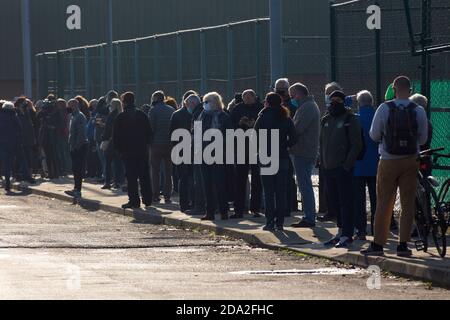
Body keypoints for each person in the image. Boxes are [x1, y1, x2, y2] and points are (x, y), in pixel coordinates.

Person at [362, 76, 428, 257]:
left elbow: (374, 135)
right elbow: (422, 138)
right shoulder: (418, 110)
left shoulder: (384, 108)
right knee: (407, 203)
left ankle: (378, 244)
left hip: (388, 159)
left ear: (394, 88)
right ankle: (403, 245)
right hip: (410, 160)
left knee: (384, 201)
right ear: (410, 89)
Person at [320, 90, 363, 248]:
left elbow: (356, 144)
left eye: (338, 100)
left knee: (346, 202)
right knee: (334, 202)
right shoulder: (325, 119)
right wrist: (322, 163)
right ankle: (340, 231)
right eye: (332, 100)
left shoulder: (350, 119)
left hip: (343, 168)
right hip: (328, 168)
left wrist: (347, 165)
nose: (334, 103)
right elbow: (322, 143)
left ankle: (347, 234)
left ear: (343, 102)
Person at [255, 93, 298, 231]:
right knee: (281, 191)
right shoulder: (286, 117)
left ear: (267, 102)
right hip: (282, 156)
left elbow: (254, 136)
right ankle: (280, 222)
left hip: (267, 156)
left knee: (268, 192)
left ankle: (269, 222)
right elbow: (294, 137)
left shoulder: (263, 117)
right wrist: (284, 144)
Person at [288, 83, 321, 228]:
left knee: (304, 185)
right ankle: (309, 216)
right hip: (305, 150)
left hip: (303, 150)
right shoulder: (307, 106)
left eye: (292, 95)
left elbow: (297, 128)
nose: (291, 98)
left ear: (298, 93)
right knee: (304, 184)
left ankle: (309, 217)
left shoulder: (307, 107)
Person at [113, 93, 153, 209]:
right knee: (144, 176)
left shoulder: (121, 117)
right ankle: (147, 199)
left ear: (124, 102)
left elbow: (116, 136)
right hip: (142, 151)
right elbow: (149, 132)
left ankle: (134, 201)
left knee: (131, 178)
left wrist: (118, 150)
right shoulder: (142, 115)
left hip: (127, 152)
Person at [198, 92, 233, 221]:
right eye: (204, 102)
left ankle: (224, 211)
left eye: (208, 102)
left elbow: (230, 135)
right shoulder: (202, 115)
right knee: (207, 184)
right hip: (204, 153)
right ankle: (210, 212)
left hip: (219, 153)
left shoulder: (224, 116)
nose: (205, 104)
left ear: (215, 102)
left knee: (220, 184)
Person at [230, 89, 263, 219]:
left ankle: (255, 208)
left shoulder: (260, 108)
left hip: (256, 147)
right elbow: (230, 126)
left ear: (254, 97)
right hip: (241, 147)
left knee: (257, 180)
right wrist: (240, 124)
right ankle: (239, 209)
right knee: (240, 180)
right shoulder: (237, 109)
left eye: (249, 97)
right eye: (245, 98)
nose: (247, 100)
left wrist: (254, 124)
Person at [353, 90, 379, 239]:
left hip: (358, 164)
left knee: (359, 200)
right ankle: (377, 229)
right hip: (376, 163)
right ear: (372, 102)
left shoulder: (355, 119)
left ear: (359, 103)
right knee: (377, 199)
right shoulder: (377, 117)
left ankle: (361, 230)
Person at [318, 82, 343, 221]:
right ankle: (330, 210)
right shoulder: (326, 114)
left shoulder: (345, 115)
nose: (328, 96)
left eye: (331, 93)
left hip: (338, 159)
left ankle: (337, 212)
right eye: (327, 93)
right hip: (326, 157)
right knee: (328, 187)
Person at [170, 92, 198, 213]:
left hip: (182, 150)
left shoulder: (176, 115)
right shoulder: (198, 114)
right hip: (190, 151)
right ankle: (190, 202)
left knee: (185, 178)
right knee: (190, 178)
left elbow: (171, 134)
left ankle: (185, 203)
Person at [274, 78, 299, 215]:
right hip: (274, 146)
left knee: (288, 177)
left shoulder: (293, 105)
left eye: (283, 88)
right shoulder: (270, 104)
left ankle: (291, 205)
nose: (281, 90)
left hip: (287, 146)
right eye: (278, 88)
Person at [148, 91, 175, 203]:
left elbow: (151, 128)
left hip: (156, 144)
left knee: (155, 170)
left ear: (155, 99)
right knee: (168, 171)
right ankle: (167, 195)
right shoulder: (171, 110)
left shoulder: (153, 110)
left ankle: (155, 195)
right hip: (169, 144)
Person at [65, 99, 89, 198]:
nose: (68, 107)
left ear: (74, 105)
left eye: (69, 105)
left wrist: (76, 146)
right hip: (73, 146)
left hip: (79, 146)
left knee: (78, 169)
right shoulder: (73, 116)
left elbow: (81, 134)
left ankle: (78, 189)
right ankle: (76, 188)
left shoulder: (79, 116)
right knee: (75, 169)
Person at [102, 92, 125, 190]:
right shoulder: (122, 115)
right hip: (120, 142)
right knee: (118, 163)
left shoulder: (111, 116)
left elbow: (108, 129)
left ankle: (107, 182)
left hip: (111, 142)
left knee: (108, 163)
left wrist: (104, 138)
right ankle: (118, 181)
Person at [0, 102, 22, 193]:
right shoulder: (14, 116)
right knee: (10, 161)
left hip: (2, 142)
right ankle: (11, 179)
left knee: (5, 162)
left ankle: (7, 182)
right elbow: (20, 128)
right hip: (12, 142)